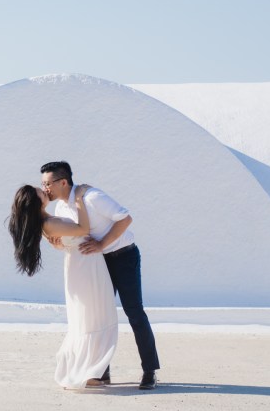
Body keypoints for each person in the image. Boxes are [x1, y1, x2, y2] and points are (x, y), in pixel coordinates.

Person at [41, 161, 160, 390]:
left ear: (63, 181)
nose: (45, 188)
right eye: (43, 184)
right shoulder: (60, 209)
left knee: (134, 312)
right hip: (96, 264)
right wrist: (59, 244)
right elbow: (75, 239)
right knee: (97, 316)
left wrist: (101, 244)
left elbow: (125, 218)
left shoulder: (91, 196)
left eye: (48, 184)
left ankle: (149, 370)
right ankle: (99, 372)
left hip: (123, 256)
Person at [9, 184, 118, 389]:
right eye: (40, 190)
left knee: (91, 317)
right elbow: (83, 229)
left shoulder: (47, 221)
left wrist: (61, 244)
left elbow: (70, 238)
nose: (44, 190)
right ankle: (88, 373)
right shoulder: (48, 222)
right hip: (85, 265)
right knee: (91, 318)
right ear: (35, 201)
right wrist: (78, 199)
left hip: (84, 262)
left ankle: (94, 371)